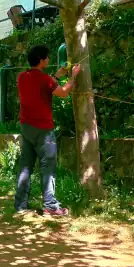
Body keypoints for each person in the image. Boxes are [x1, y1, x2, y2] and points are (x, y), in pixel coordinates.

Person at [15, 45, 82, 216]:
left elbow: (41, 85)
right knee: (48, 166)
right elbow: (64, 92)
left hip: (26, 127)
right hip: (43, 130)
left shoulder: (22, 77)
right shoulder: (46, 80)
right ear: (41, 60)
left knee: (25, 166)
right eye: (47, 57)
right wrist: (73, 76)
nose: (49, 59)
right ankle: (50, 206)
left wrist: (58, 75)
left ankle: (20, 205)